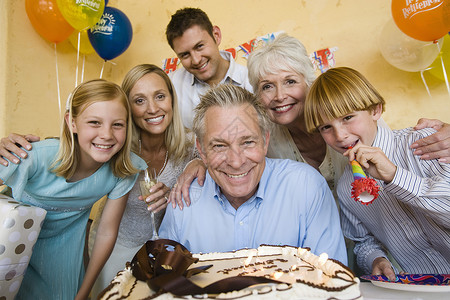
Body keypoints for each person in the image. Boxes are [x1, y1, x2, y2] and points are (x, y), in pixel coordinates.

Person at [168, 33, 450, 209]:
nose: (279, 96)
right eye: (267, 86)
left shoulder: (352, 122)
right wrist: (198, 160)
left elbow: (399, 165)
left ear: (309, 81)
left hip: (385, 232)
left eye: (290, 81)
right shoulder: (264, 133)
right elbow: (226, 146)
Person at [159, 84, 348, 263]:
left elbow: (331, 280)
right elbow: (164, 281)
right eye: (219, 146)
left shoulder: (306, 187)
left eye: (247, 142)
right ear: (201, 151)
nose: (236, 161)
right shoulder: (183, 201)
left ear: (265, 142)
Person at [0, 79, 147, 299]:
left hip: (63, 257)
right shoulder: (35, 157)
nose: (107, 134)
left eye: (117, 124)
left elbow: (106, 232)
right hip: (11, 247)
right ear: (72, 123)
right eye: (95, 122)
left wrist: (84, 291)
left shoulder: (124, 169)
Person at [303, 66, 450, 279]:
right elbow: (364, 241)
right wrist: (376, 258)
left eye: (347, 118)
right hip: (421, 290)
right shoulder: (346, 188)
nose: (340, 135)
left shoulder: (426, 143)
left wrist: (394, 176)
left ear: (375, 110)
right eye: (326, 127)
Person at [87, 65, 200, 298]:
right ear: (127, 108)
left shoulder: (190, 145)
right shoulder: (114, 145)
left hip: (164, 252)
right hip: (114, 248)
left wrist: (198, 166)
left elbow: (221, 159)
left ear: (171, 99)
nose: (152, 109)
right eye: (139, 101)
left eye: (160, 96)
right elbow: (72, 153)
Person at [166, 7, 252, 129]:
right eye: (185, 54)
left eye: (199, 46)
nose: (196, 60)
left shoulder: (252, 81)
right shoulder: (170, 86)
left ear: (216, 35)